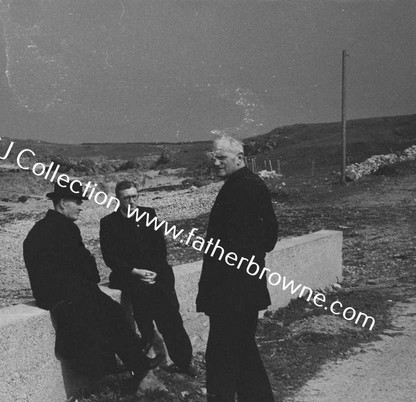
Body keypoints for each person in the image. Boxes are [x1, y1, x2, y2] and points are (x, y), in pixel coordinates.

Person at [22, 179, 162, 390]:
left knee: (109, 313)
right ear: (62, 204)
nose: (81, 206)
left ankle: (135, 364)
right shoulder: (66, 229)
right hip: (69, 293)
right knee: (113, 313)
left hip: (50, 294)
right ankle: (134, 365)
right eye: (77, 202)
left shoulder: (40, 229)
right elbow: (86, 267)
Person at [196, 134, 278, 402]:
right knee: (243, 355)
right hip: (239, 292)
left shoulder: (243, 187)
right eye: (214, 157)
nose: (216, 162)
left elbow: (248, 243)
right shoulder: (245, 184)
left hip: (233, 294)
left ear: (240, 158)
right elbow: (268, 237)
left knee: (221, 359)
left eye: (222, 157)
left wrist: (221, 290)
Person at [99, 180, 195, 375]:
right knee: (143, 316)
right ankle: (144, 361)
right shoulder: (109, 223)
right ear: (118, 199)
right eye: (126, 198)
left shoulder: (148, 214)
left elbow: (159, 248)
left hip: (156, 274)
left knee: (171, 316)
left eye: (135, 197)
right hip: (130, 276)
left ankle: (185, 362)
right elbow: (110, 256)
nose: (131, 202)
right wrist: (135, 272)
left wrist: (152, 274)